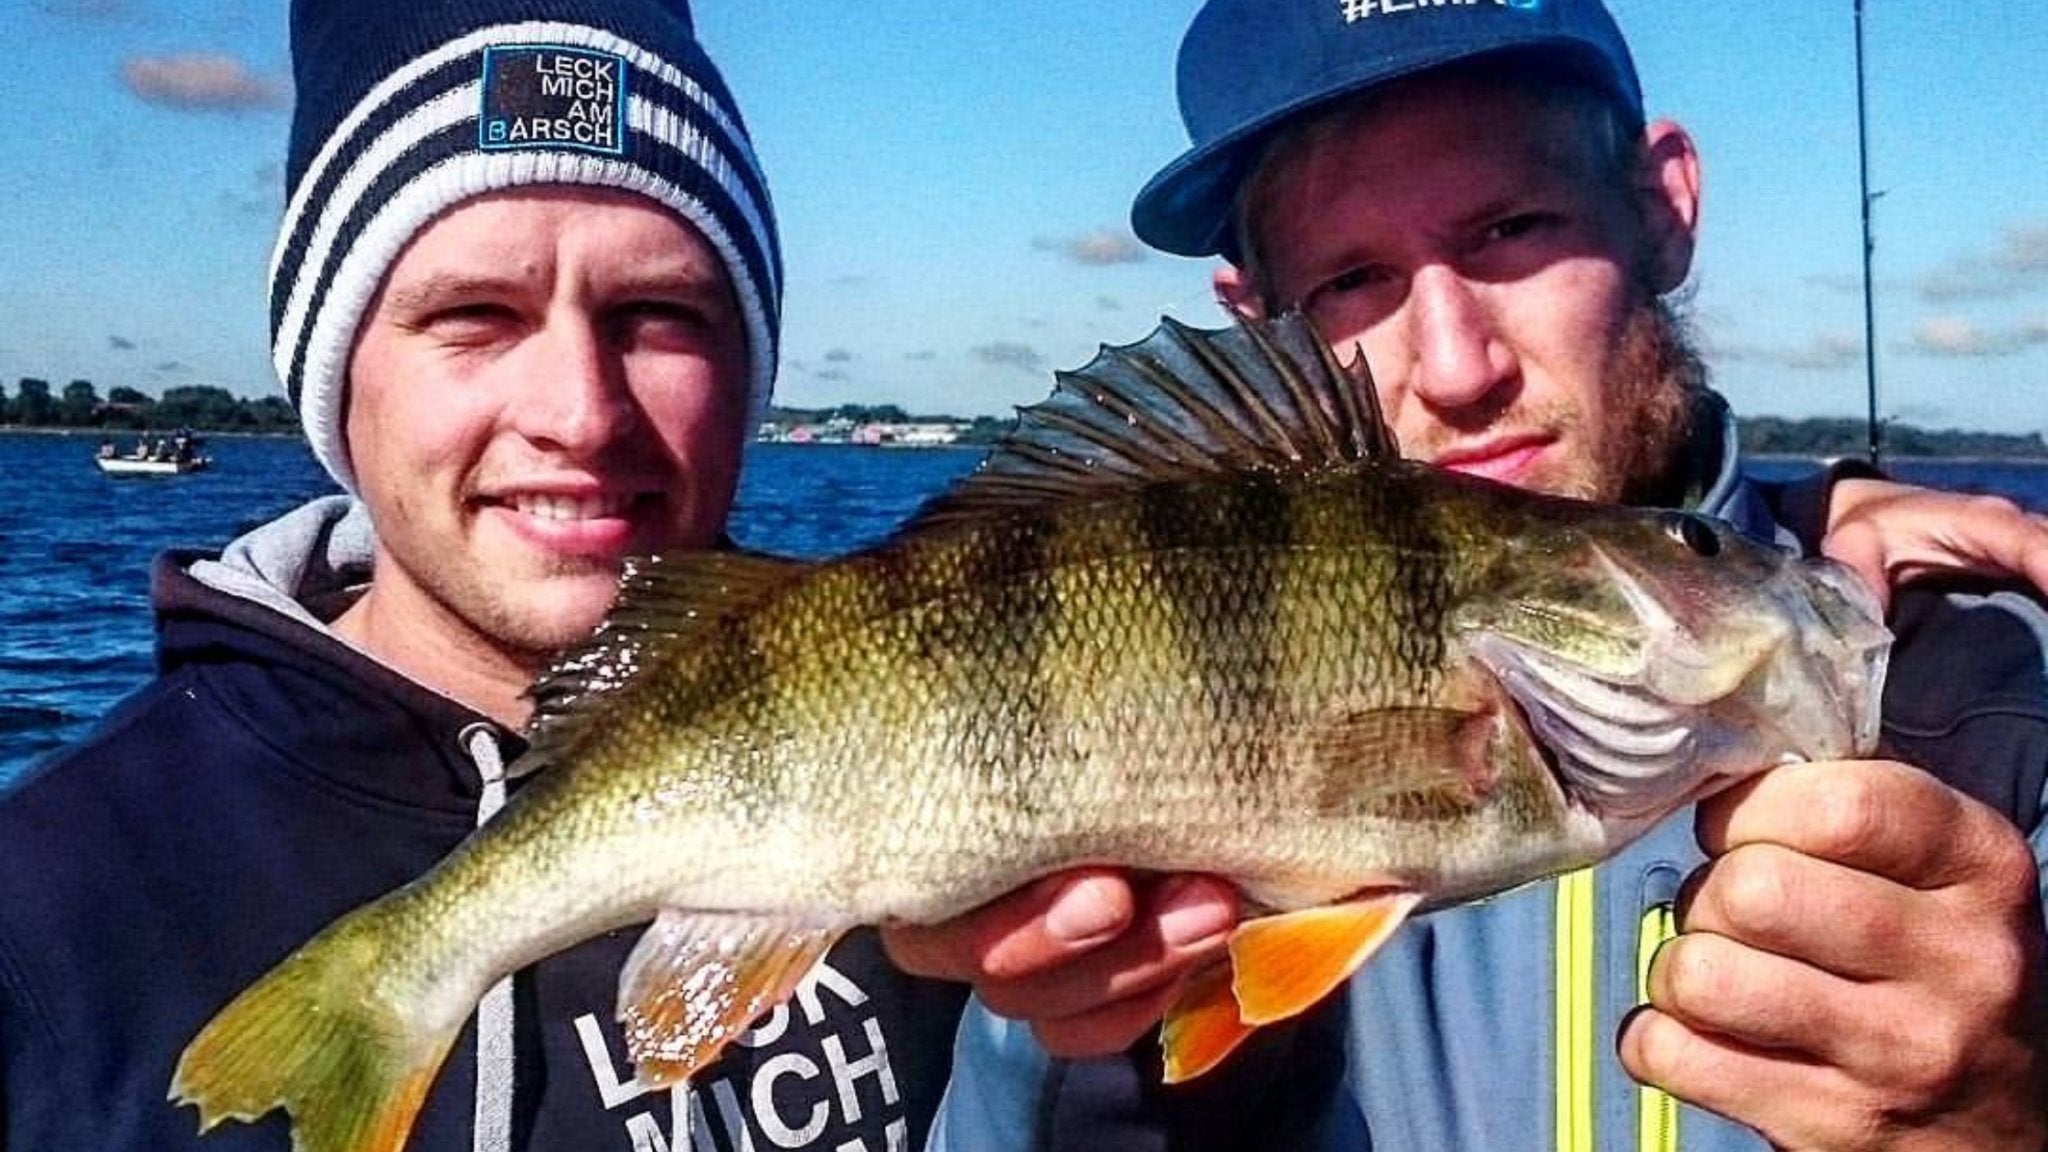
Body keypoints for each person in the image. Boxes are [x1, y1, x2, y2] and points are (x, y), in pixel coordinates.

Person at [894, 3, 2048, 1150]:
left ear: (1661, 206)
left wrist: (2006, 1115)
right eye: (1350, 279)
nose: (1456, 367)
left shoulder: (2003, 691)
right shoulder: (1101, 657)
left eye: (1510, 228)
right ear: (1255, 323)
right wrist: (1099, 1057)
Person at [0, 1, 965, 1149]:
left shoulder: (953, 763)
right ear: (334, 375)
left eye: (656, 314)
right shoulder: (42, 910)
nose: (581, 412)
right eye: (474, 315)